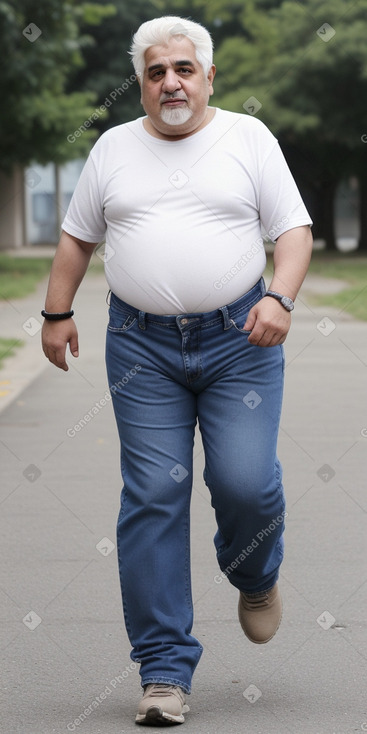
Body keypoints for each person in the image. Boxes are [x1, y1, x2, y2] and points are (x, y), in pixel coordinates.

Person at [42, 15, 313, 726]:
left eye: (184, 69)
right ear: (140, 85)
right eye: (156, 72)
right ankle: (163, 671)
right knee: (153, 495)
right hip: (141, 349)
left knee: (244, 483)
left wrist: (281, 297)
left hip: (240, 342)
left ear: (208, 77)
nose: (170, 82)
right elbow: (77, 237)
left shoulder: (247, 139)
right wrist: (55, 312)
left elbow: (292, 230)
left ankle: (254, 575)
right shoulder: (112, 149)